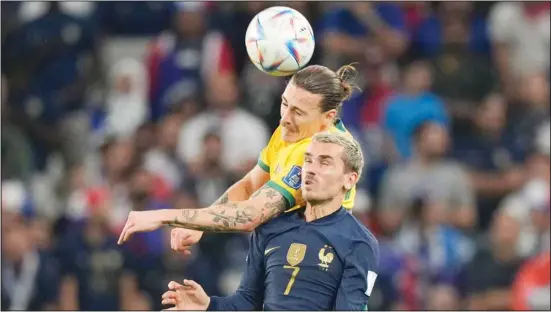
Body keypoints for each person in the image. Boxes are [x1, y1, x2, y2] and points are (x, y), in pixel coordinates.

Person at [117, 64, 359, 246]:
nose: (285, 118)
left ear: (328, 117)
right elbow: (249, 185)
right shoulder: (292, 130)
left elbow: (251, 214)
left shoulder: (320, 153)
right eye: (285, 104)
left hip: (323, 272)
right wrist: (200, 224)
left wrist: (166, 216)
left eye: (298, 111)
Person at [160, 131, 379, 310]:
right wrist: (208, 305)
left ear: (350, 179)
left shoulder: (358, 242)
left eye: (324, 163)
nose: (311, 169)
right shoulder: (271, 228)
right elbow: (246, 301)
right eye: (308, 160)